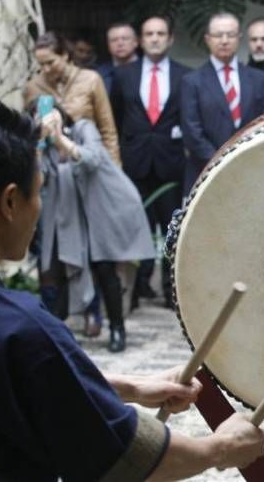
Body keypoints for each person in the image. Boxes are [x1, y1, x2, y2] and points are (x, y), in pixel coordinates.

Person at [0, 98, 264, 480]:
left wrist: (131, 387)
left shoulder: (8, 330)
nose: (40, 208)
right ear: (11, 201)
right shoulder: (17, 327)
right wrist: (219, 448)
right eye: (40, 192)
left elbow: (32, 386)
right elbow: (123, 457)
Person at [31, 101, 155, 352]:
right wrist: (39, 144)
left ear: (61, 113)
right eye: (38, 116)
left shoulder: (83, 128)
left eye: (48, 112)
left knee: (105, 269)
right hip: (69, 217)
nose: (45, 119)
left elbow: (92, 159)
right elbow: (36, 178)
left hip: (102, 208)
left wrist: (59, 139)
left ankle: (117, 329)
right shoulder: (41, 146)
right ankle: (56, 338)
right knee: (57, 269)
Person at [110, 15, 190, 310]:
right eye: (148, 34)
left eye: (160, 33)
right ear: (140, 40)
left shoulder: (185, 75)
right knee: (135, 228)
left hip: (170, 165)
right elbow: (116, 119)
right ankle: (136, 288)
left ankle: (171, 291)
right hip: (134, 165)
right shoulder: (124, 75)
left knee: (172, 229)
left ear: (170, 39)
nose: (154, 38)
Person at [180, 12, 264, 195]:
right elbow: (192, 133)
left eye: (230, 35)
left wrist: (246, 159)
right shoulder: (192, 81)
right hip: (206, 175)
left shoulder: (259, 79)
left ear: (239, 38)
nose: (224, 40)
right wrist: (221, 163)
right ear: (208, 39)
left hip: (252, 171)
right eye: (218, 35)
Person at [25, 31, 121, 165]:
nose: (46, 69)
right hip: (53, 165)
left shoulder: (90, 79)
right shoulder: (33, 87)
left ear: (64, 55)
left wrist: (114, 169)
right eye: (41, 64)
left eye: (50, 62)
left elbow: (108, 131)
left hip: (88, 158)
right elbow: (30, 132)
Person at [97, 22, 139, 94]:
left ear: (136, 42)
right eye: (114, 40)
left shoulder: (150, 71)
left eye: (125, 39)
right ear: (108, 45)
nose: (120, 43)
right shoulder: (99, 75)